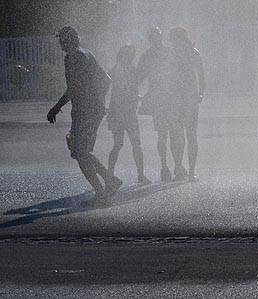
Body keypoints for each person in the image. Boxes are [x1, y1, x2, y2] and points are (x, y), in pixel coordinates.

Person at [47, 26, 121, 202]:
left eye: (61, 40)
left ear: (68, 40)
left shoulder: (75, 58)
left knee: (80, 152)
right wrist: (98, 102)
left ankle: (101, 192)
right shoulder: (84, 54)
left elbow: (75, 87)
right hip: (88, 111)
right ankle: (109, 180)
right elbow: (106, 81)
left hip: (85, 112)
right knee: (80, 151)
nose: (59, 43)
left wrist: (57, 107)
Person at [106, 44, 150, 186]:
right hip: (127, 114)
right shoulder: (131, 70)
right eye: (131, 55)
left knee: (118, 145)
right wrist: (139, 97)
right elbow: (128, 91)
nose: (132, 57)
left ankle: (110, 175)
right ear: (127, 56)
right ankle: (141, 176)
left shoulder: (115, 70)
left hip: (117, 113)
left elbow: (120, 90)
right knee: (136, 145)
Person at [138, 27, 176, 181]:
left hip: (163, 98)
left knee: (165, 134)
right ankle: (169, 166)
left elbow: (140, 77)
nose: (157, 39)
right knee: (169, 133)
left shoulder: (148, 55)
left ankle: (167, 166)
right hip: (166, 98)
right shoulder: (168, 52)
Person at [167, 26, 205, 181]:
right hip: (179, 99)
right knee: (179, 135)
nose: (176, 43)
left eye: (177, 39)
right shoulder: (173, 54)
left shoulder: (192, 53)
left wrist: (200, 93)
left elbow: (201, 76)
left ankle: (190, 170)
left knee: (189, 135)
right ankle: (180, 169)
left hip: (187, 98)